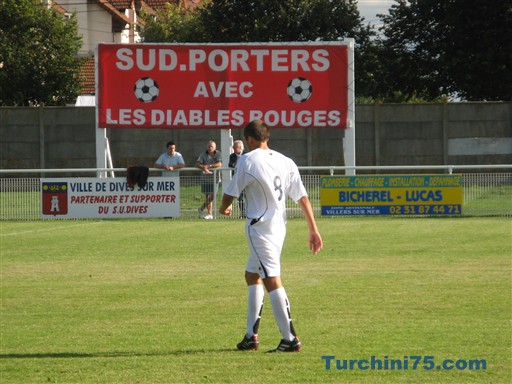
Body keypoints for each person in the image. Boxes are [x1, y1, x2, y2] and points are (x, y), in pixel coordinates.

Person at [219, 120, 323, 353]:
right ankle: (250, 337)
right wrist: (313, 230)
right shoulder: (286, 161)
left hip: (260, 228)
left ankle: (290, 339)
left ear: (249, 139)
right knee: (252, 275)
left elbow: (230, 192)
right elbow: (303, 198)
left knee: (271, 280)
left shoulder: (248, 159)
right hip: (279, 228)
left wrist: (223, 207)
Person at [196, 140, 222, 220]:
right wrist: (203, 167)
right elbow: (197, 163)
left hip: (215, 178)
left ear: (215, 147)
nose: (210, 148)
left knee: (213, 195)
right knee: (207, 195)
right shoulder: (203, 154)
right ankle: (209, 214)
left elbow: (219, 164)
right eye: (209, 146)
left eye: (212, 146)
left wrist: (208, 166)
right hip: (205, 178)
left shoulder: (218, 154)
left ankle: (201, 209)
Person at [228, 140, 246, 218]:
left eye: (235, 147)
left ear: (240, 147)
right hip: (237, 179)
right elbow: (230, 164)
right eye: (233, 147)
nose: (233, 148)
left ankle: (249, 212)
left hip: (246, 178)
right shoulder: (232, 156)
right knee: (240, 197)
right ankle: (242, 213)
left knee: (248, 196)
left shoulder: (246, 154)